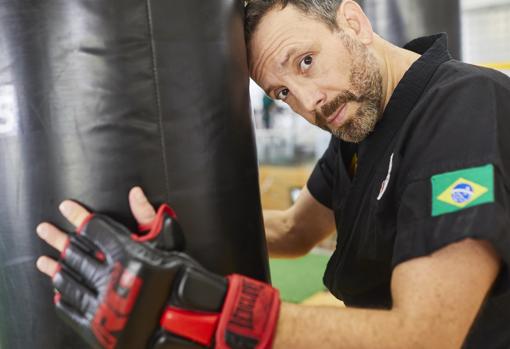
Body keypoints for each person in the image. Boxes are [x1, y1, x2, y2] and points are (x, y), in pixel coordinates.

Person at [36, 0, 510, 348]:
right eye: (282, 92)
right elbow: (295, 230)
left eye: (306, 61)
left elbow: (427, 336)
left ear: (354, 21)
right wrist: (178, 228)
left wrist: (211, 308)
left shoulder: (462, 106)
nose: (309, 103)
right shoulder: (359, 127)